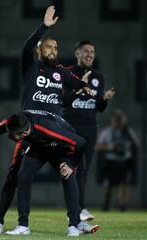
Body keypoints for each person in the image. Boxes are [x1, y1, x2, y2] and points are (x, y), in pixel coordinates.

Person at [0, 5, 93, 234]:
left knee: (68, 173)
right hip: (32, 134)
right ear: (40, 51)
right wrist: (44, 27)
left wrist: (83, 86)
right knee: (18, 176)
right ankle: (17, 224)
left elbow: (75, 82)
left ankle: (74, 224)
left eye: (56, 47)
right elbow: (27, 46)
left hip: (54, 134)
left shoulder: (60, 71)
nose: (53, 50)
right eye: (49, 46)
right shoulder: (32, 67)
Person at [0, 110, 100, 236]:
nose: (10, 137)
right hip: (40, 146)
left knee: (68, 176)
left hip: (62, 147)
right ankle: (23, 226)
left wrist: (71, 164)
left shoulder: (49, 128)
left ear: (24, 133)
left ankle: (74, 225)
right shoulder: (16, 120)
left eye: (14, 136)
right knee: (23, 176)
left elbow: (80, 142)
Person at [62, 40, 115, 221]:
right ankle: (77, 208)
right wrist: (79, 88)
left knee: (83, 171)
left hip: (90, 128)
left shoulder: (98, 77)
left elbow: (98, 107)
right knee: (74, 169)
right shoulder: (68, 73)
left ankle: (79, 208)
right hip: (71, 126)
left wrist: (105, 99)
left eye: (92, 51)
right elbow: (64, 100)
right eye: (85, 51)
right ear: (77, 54)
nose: (89, 54)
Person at [96, 109, 138, 211]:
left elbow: (136, 144)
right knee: (108, 185)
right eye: (116, 119)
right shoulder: (107, 132)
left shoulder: (128, 132)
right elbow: (97, 146)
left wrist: (126, 146)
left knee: (124, 184)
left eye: (120, 119)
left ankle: (122, 206)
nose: (118, 121)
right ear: (112, 120)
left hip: (124, 161)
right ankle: (106, 204)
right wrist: (110, 147)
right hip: (110, 161)